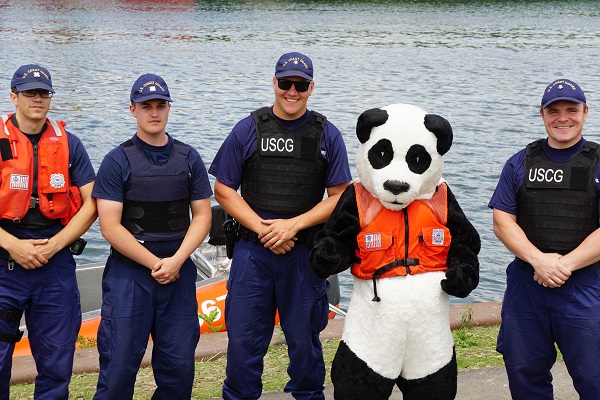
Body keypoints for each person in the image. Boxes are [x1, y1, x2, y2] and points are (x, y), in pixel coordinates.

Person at [209, 51, 352, 400]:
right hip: (253, 256)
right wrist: (264, 228)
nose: (292, 91)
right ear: (274, 83)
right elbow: (223, 189)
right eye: (285, 83)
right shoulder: (248, 128)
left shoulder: (326, 134)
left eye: (300, 85)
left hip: (303, 257)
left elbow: (340, 196)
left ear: (311, 88)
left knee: (304, 346)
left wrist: (293, 226)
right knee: (243, 347)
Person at [91, 73, 212, 399]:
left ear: (169, 108)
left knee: (179, 370)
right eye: (146, 106)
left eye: (161, 105)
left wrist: (176, 260)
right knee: (117, 370)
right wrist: (156, 263)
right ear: (133, 109)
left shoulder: (188, 158)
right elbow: (110, 226)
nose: (154, 112)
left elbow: (202, 215)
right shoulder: (117, 160)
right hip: (130, 275)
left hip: (178, 272)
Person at [489, 78, 600, 399]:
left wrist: (562, 266)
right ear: (542, 115)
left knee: (594, 378)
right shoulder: (519, 162)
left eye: (571, 109)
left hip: (585, 287)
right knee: (525, 375)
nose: (562, 118)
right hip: (527, 287)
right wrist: (539, 261)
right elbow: (502, 221)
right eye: (554, 111)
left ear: (585, 112)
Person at [0, 64, 97, 399]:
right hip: (4, 264)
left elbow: (92, 203)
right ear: (14, 97)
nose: (37, 99)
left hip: (54, 265)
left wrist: (55, 245)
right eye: (29, 93)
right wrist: (14, 246)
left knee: (56, 362)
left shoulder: (69, 144)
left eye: (43, 93)